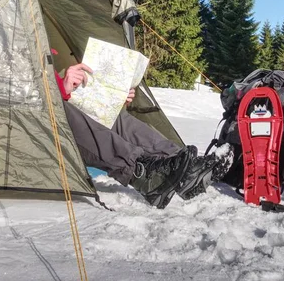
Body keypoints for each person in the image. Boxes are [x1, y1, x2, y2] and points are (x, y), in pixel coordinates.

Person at [55, 62, 232, 209]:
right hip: (47, 121)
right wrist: (62, 89)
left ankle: (182, 166)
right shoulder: (29, 50)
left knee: (116, 117)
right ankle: (141, 174)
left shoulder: (42, 51)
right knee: (59, 110)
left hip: (63, 102)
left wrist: (112, 98)